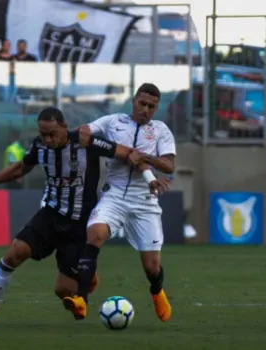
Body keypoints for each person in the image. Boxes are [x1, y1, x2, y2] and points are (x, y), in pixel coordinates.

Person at [0, 107, 169, 329]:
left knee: (62, 290)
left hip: (80, 224)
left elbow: (128, 153)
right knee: (14, 253)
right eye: (43, 134)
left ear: (64, 127)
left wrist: (149, 177)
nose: (48, 140)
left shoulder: (87, 143)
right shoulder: (39, 146)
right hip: (50, 214)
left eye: (52, 134)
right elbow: (22, 167)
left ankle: (87, 279)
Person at [63, 83, 176, 323]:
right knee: (94, 234)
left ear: (156, 109)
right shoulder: (113, 121)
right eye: (142, 103)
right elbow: (85, 131)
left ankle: (156, 291)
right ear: (133, 100)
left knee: (152, 267)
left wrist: (143, 157)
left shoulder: (161, 131)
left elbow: (169, 165)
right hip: (113, 196)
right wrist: (81, 132)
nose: (145, 109)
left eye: (151, 106)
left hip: (145, 200)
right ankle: (81, 299)